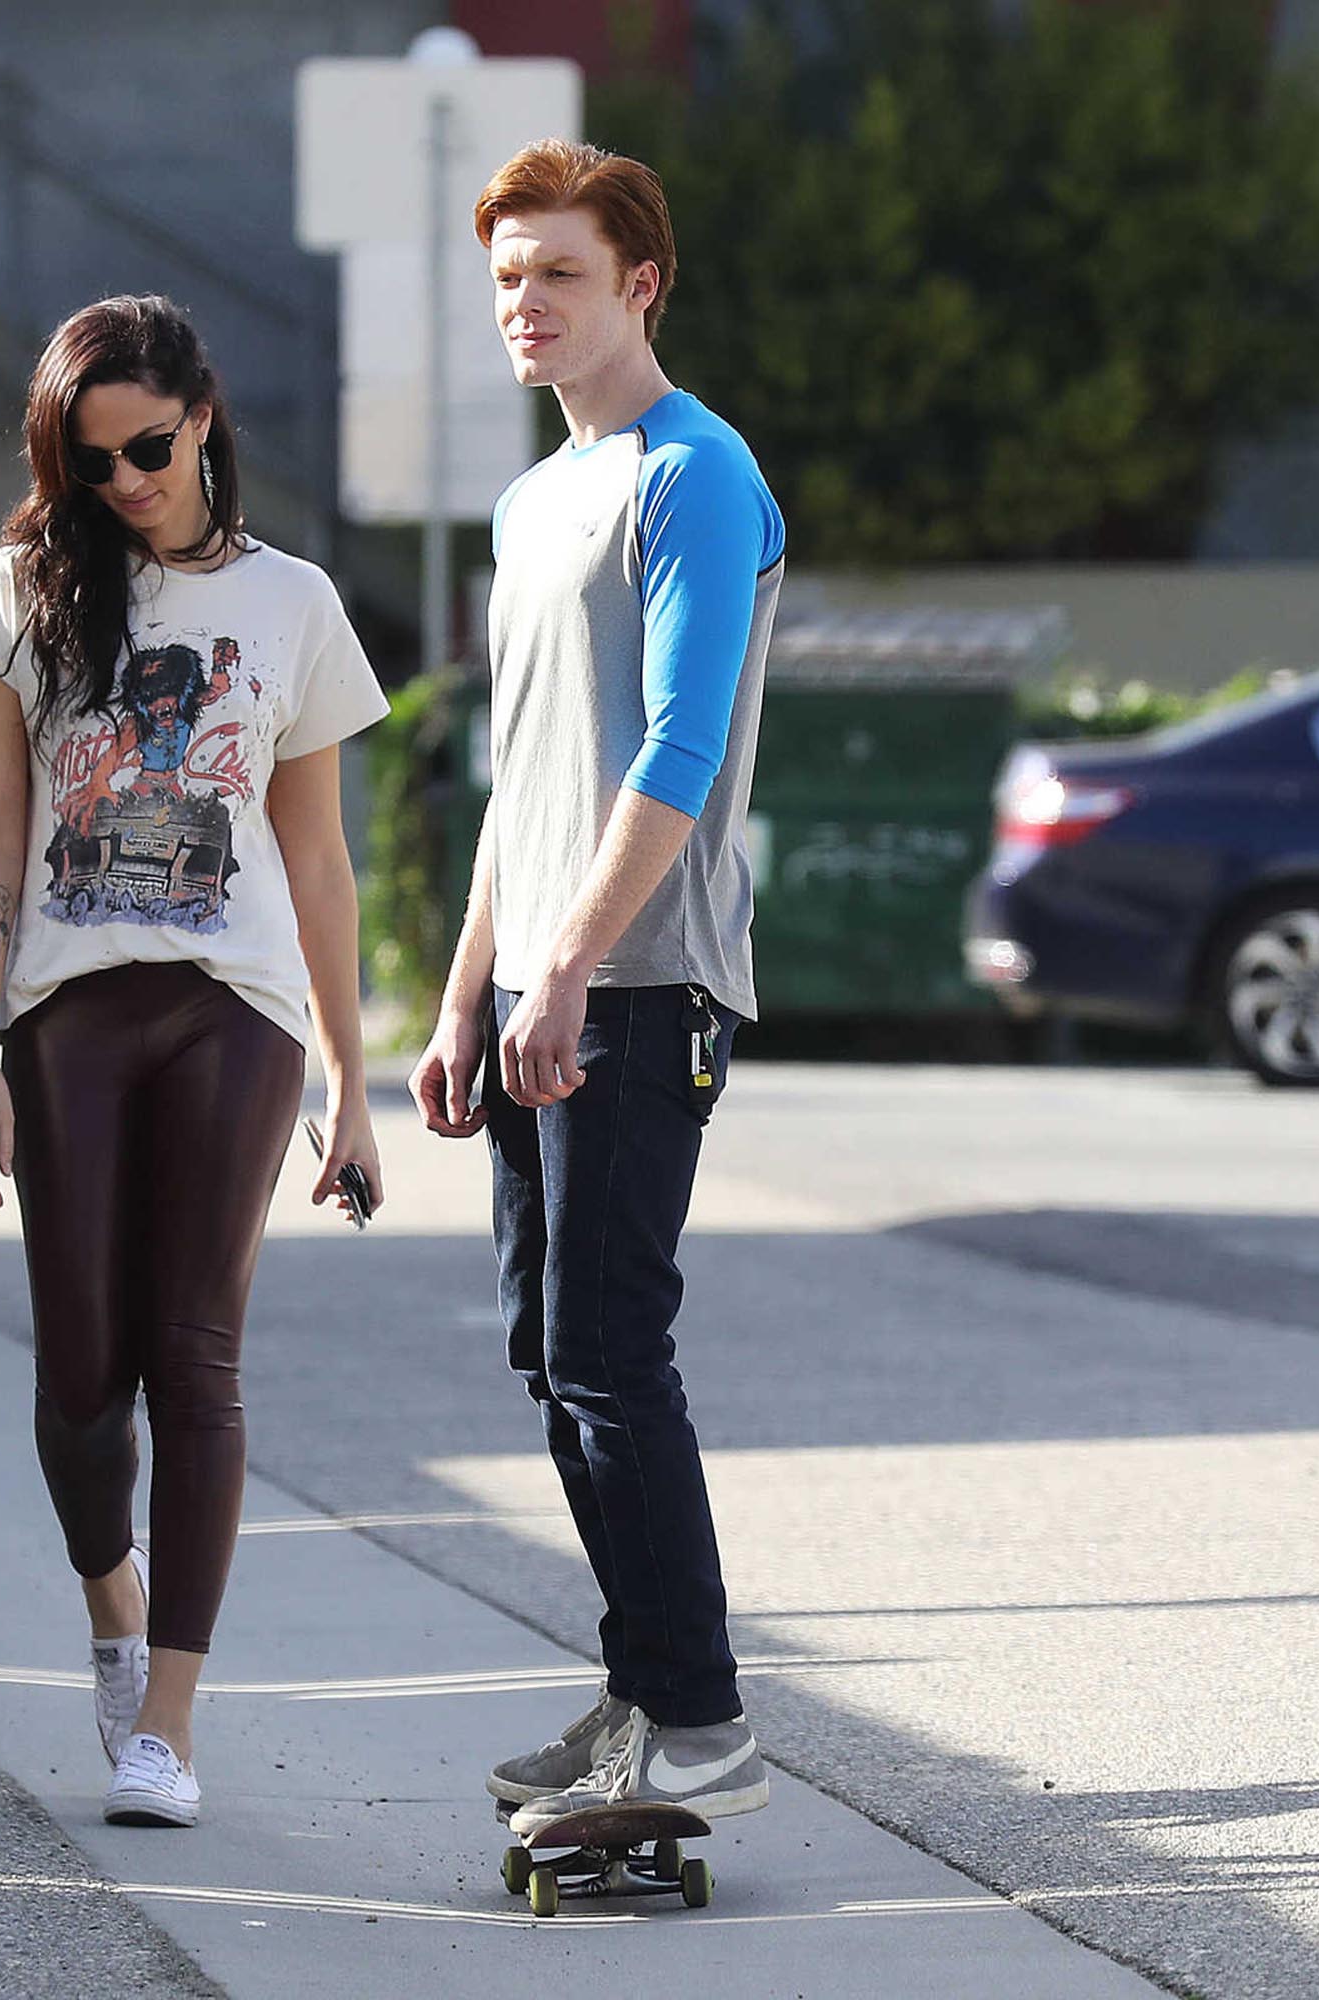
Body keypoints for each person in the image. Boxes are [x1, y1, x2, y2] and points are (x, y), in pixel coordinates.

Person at [0, 296, 387, 1829]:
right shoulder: (13, 597)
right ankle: (110, 1606)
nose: (121, 480)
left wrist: (352, 1078)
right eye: (88, 460)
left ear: (204, 417)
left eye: (143, 446)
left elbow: (317, 860)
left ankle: (170, 1728)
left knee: (194, 1356)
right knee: (80, 1375)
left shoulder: (295, 603)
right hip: (69, 1006)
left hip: (235, 1005)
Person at [410, 140, 785, 1838]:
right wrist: (464, 993)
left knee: (612, 1351)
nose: (525, 304)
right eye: (505, 279)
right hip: (541, 995)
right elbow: (523, 780)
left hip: (641, 986)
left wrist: (564, 971)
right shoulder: (530, 499)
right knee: (553, 1358)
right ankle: (645, 1688)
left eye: (557, 273)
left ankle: (697, 1721)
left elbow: (678, 748)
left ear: (640, 282)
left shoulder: (693, 475)